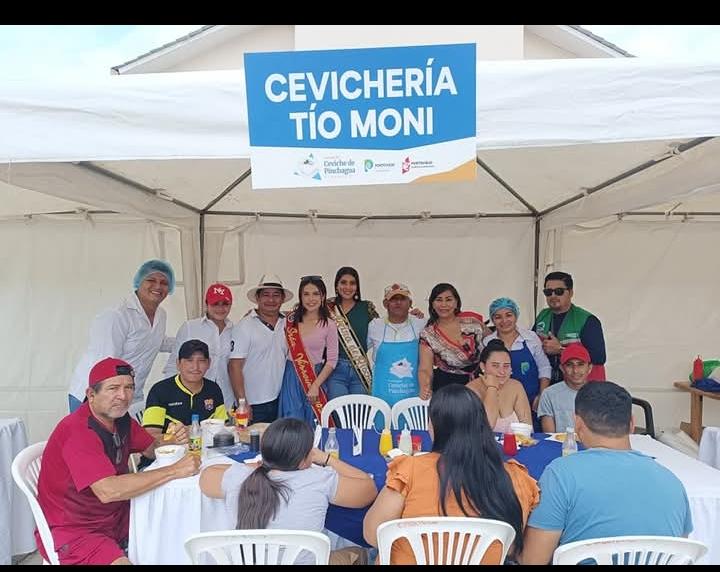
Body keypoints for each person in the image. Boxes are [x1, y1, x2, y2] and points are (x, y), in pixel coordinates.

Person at [37, 357, 200, 565]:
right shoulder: (78, 431)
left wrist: (172, 438)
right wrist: (174, 470)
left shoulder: (120, 419)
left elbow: (151, 449)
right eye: (113, 388)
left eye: (129, 387)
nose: (123, 396)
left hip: (117, 516)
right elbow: (109, 491)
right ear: (91, 395)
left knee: (178, 524)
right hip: (77, 530)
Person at [519, 382, 692, 565]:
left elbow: (533, 560)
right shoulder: (672, 482)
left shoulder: (560, 474)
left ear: (577, 424)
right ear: (632, 424)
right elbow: (681, 553)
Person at [362, 384, 539, 564]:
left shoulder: (409, 469)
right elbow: (511, 547)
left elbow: (372, 534)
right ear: (482, 425)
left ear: (434, 426)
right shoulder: (516, 477)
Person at [199, 417, 377, 565]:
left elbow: (206, 476)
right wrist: (327, 458)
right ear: (302, 460)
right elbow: (368, 489)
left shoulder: (240, 477)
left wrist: (260, 466)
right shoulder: (319, 479)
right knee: (360, 553)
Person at [68, 259, 176, 412]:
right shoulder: (117, 315)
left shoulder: (161, 315)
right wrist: (108, 400)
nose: (158, 286)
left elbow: (156, 341)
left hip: (128, 394)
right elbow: (105, 362)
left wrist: (191, 339)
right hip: (96, 395)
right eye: (151, 280)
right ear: (139, 282)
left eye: (164, 282)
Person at [228, 274, 293, 424]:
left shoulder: (288, 324)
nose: (271, 300)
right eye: (266, 295)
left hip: (280, 400)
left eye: (276, 295)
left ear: (283, 299)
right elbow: (234, 366)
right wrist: (243, 402)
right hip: (253, 404)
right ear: (257, 298)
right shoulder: (245, 326)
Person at [142, 339, 228, 447]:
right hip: (170, 453)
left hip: (207, 451)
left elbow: (223, 427)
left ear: (209, 363)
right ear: (178, 363)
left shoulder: (213, 389)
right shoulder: (160, 390)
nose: (195, 367)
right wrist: (175, 438)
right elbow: (149, 438)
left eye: (201, 361)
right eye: (189, 360)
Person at [162, 283, 234, 410]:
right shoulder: (190, 327)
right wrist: (171, 395)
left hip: (225, 398)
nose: (220, 308)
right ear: (206, 304)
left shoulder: (235, 331)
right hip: (191, 395)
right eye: (215, 304)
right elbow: (174, 364)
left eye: (225, 304)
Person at [278, 276, 339, 425]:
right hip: (292, 376)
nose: (311, 299)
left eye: (316, 294)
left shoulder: (329, 324)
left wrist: (316, 385)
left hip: (315, 376)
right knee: (293, 422)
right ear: (300, 296)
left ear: (323, 296)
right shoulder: (288, 321)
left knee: (314, 423)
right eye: (306, 294)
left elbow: (332, 360)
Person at [483, 297, 551, 420]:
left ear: (516, 316)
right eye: (498, 317)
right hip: (500, 404)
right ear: (492, 320)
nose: (504, 321)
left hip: (532, 402)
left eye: (508, 315)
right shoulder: (487, 342)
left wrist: (542, 395)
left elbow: (544, 367)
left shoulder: (531, 338)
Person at [418, 283, 489, 399]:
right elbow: (425, 369)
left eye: (448, 300)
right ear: (432, 304)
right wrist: (425, 387)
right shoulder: (428, 335)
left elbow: (494, 345)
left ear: (456, 303)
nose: (444, 304)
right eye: (439, 300)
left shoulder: (473, 323)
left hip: (481, 384)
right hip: (449, 390)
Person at [533, 271, 606, 384]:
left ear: (571, 292)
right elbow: (530, 344)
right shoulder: (543, 316)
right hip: (550, 384)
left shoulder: (587, 320)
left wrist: (560, 350)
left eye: (559, 291)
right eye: (548, 292)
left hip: (582, 387)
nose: (553, 296)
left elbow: (599, 357)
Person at [367, 283, 427, 408]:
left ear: (410, 303)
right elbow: (360, 350)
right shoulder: (375, 326)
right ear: (385, 304)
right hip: (383, 395)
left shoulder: (421, 324)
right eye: (393, 299)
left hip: (413, 396)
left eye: (402, 299)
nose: (398, 303)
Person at [325, 267, 379, 399]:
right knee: (338, 409)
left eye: (352, 283)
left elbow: (385, 327)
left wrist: (410, 317)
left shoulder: (366, 308)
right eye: (343, 282)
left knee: (359, 410)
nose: (348, 287)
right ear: (336, 285)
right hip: (334, 369)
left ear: (357, 286)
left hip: (360, 371)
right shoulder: (327, 308)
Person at [467, 339, 533, 433]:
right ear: (482, 366)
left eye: (506, 366)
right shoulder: (469, 391)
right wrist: (492, 387)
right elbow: (484, 428)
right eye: (495, 366)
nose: (502, 372)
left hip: (517, 442)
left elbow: (527, 428)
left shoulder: (516, 386)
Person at [537, 343, 592, 433]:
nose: (575, 370)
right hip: (559, 442)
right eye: (569, 365)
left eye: (580, 364)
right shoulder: (549, 394)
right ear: (562, 368)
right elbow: (549, 435)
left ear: (589, 368)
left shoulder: (600, 394)